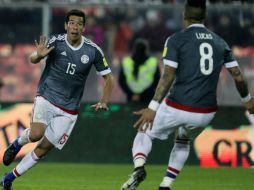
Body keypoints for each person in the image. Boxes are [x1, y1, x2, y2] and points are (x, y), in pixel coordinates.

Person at [120, 0, 254, 190]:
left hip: (177, 106)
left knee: (144, 131)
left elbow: (168, 75)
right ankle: (166, 185)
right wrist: (248, 101)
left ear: (184, 16)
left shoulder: (176, 39)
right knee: (183, 140)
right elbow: (238, 76)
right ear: (204, 16)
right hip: (205, 112)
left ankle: (139, 168)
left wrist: (152, 108)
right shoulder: (220, 42)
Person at [0, 9, 114, 190]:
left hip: (70, 108)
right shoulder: (56, 42)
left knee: (43, 149)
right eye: (72, 23)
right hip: (47, 96)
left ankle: (9, 178)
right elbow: (33, 59)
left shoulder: (93, 51)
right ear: (66, 25)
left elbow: (108, 78)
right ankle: (17, 144)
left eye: (79, 23)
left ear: (83, 27)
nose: (75, 27)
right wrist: (38, 55)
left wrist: (104, 100)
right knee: (36, 134)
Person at [118, 38, 160, 104]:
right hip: (148, 97)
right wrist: (142, 95)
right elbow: (157, 81)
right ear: (146, 49)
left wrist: (132, 94)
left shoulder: (126, 62)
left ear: (134, 49)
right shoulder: (153, 62)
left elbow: (121, 81)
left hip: (131, 97)